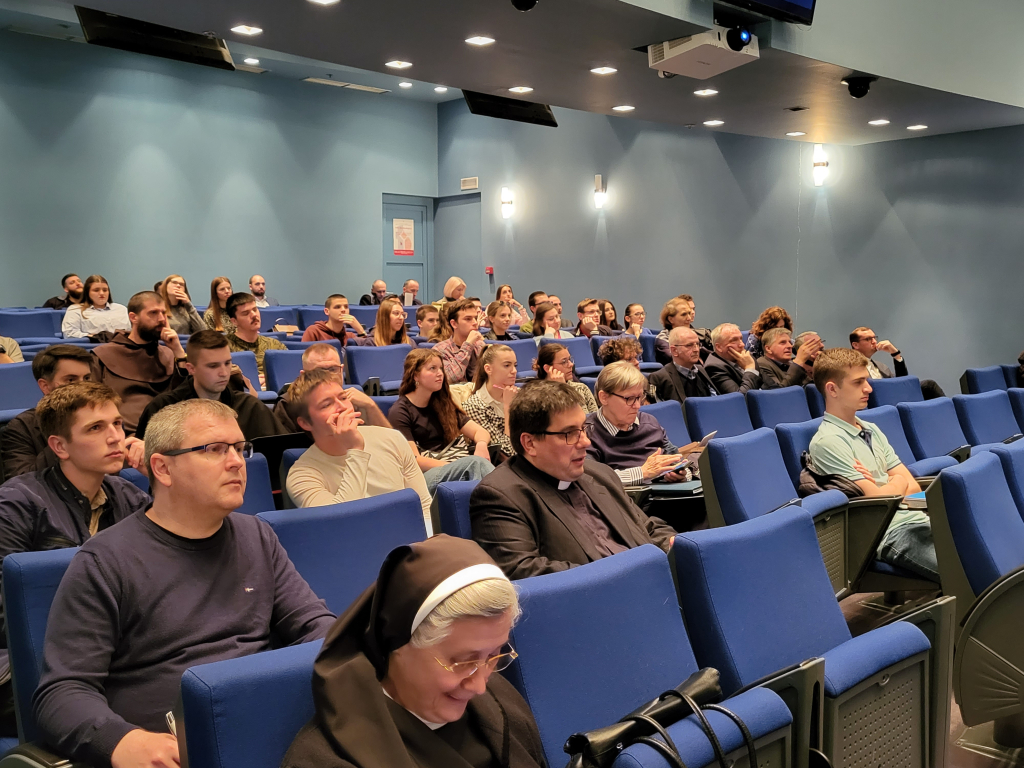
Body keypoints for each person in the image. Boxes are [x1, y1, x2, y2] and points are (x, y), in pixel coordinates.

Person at [33, 399, 335, 768]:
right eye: (215, 449)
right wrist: (124, 741)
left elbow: (314, 626)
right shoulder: (105, 561)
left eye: (240, 448)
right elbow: (62, 692)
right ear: (162, 468)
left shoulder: (256, 535)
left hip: (266, 730)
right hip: (174, 751)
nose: (237, 462)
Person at [281, 536, 545, 768]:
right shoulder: (323, 760)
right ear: (398, 645)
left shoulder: (503, 705)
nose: (479, 686)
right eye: (463, 662)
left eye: (493, 656)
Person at [0, 382, 150, 736]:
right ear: (60, 447)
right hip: (29, 660)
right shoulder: (16, 503)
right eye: (95, 428)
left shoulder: (129, 496)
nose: (115, 437)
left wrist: (162, 478)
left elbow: (168, 570)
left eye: (117, 424)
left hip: (114, 652)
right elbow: (5, 614)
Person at [469, 380, 676, 579]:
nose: (586, 442)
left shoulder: (599, 473)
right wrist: (621, 571)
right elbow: (522, 570)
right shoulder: (501, 495)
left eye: (583, 429)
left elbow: (647, 527)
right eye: (569, 433)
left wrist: (674, 543)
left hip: (653, 581)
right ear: (530, 443)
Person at [808, 348, 938, 581]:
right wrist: (896, 480)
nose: (868, 388)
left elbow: (913, 488)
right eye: (858, 382)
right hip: (889, 534)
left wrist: (889, 485)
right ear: (832, 389)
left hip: (919, 519)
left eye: (866, 380)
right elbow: (879, 504)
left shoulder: (871, 429)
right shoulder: (828, 442)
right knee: (973, 573)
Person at [285, 367, 432, 528]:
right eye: (326, 405)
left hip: (412, 539)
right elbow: (342, 523)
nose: (342, 407)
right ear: (305, 423)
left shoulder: (392, 438)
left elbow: (424, 506)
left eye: (343, 397)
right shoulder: (301, 476)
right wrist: (355, 450)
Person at [135, 330, 285, 441]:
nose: (224, 373)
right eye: (213, 366)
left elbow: (284, 453)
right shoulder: (162, 409)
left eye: (227, 363)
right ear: (191, 369)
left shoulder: (250, 407)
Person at [388, 349, 494, 492]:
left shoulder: (442, 403)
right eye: (432, 368)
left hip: (453, 466)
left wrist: (481, 445)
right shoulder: (400, 411)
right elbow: (414, 460)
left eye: (441, 368)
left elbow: (480, 432)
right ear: (415, 375)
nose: (440, 373)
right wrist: (454, 465)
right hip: (423, 476)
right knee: (475, 464)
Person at [91, 291, 189, 438]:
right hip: (122, 435)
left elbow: (183, 398)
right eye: (153, 313)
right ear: (133, 317)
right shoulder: (103, 355)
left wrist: (178, 351)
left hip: (169, 433)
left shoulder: (169, 354)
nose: (161, 319)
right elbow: (92, 404)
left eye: (163, 313)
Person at [586, 362, 696, 487]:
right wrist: (642, 473)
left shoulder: (649, 422)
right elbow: (590, 478)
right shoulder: (586, 432)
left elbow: (678, 460)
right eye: (629, 398)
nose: (637, 405)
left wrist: (681, 474)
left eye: (639, 397)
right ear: (604, 397)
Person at [1, 344, 93, 478]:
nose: (84, 386)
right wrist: (68, 430)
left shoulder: (105, 419)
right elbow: (22, 481)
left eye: (87, 378)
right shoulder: (21, 428)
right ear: (45, 386)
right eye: (71, 380)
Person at [273, 345, 389, 433]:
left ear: (341, 370)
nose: (328, 376)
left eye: (333, 369)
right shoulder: (288, 404)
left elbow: (392, 444)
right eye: (319, 371)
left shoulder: (357, 399)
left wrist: (371, 406)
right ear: (304, 375)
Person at [849, 327, 945, 399]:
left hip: (894, 395)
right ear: (855, 345)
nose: (874, 342)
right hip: (877, 398)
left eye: (875, 338)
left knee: (929, 386)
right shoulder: (851, 367)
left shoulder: (881, 366)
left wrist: (896, 354)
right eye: (868, 339)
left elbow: (902, 382)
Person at [462, 344, 518, 458]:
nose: (514, 371)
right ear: (488, 369)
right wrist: (509, 407)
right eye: (507, 365)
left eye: (515, 365)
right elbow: (506, 453)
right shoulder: (474, 406)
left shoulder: (520, 395)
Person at [225, 292, 287, 382]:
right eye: (246, 313)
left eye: (255, 309)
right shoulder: (224, 348)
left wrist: (269, 379)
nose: (254, 315)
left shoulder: (275, 345)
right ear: (234, 321)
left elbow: (289, 373)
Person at [648, 327, 719, 404]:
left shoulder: (701, 370)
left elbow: (714, 400)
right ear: (674, 350)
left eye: (697, 344)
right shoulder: (659, 378)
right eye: (689, 345)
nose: (696, 349)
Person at [533, 343, 598, 413]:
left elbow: (595, 418)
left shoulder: (582, 388)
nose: (571, 364)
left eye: (569, 359)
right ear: (547, 368)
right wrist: (560, 389)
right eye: (564, 362)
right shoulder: (536, 396)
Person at [433, 299, 487, 384]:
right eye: (468, 319)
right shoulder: (440, 350)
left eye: (475, 318)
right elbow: (450, 378)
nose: (475, 323)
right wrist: (467, 345)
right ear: (454, 324)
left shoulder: (480, 345)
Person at [61, 275, 130, 339]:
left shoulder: (121, 309)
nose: (102, 293)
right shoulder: (75, 310)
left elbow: (131, 332)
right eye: (96, 290)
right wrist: (93, 337)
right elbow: (69, 334)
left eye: (105, 290)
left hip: (122, 345)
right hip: (92, 346)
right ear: (87, 292)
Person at [756, 327, 822, 389]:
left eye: (790, 342)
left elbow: (812, 386)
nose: (790, 346)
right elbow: (779, 392)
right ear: (768, 349)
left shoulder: (790, 363)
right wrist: (798, 362)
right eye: (782, 342)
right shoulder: (761, 364)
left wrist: (819, 363)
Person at [705, 323, 762, 394]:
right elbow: (740, 397)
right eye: (734, 340)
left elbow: (768, 385)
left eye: (741, 339)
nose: (742, 345)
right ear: (719, 347)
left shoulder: (746, 357)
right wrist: (750, 369)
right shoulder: (714, 368)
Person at [655, 298, 695, 365]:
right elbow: (678, 359)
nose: (689, 318)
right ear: (671, 319)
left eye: (689, 313)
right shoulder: (663, 338)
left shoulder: (694, 335)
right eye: (684, 314)